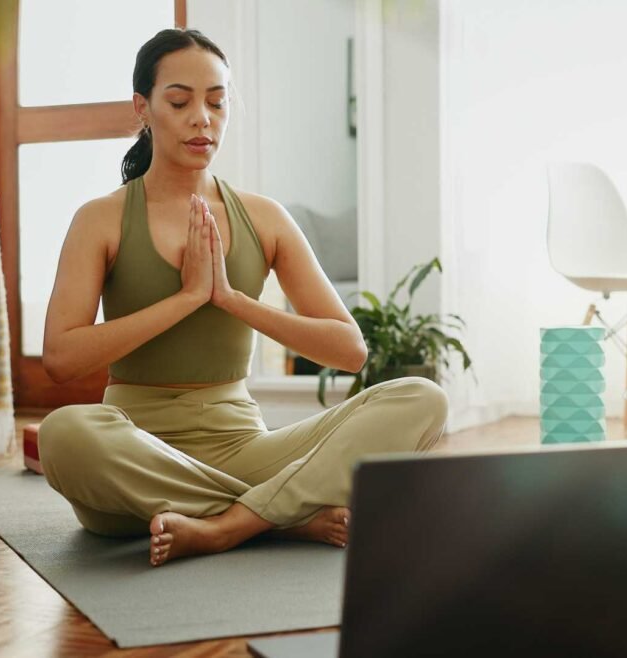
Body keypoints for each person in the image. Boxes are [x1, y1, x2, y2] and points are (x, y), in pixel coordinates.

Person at [39, 28, 448, 567]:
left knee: (423, 398)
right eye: (180, 101)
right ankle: (282, 517)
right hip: (133, 457)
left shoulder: (264, 217)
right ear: (143, 107)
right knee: (64, 434)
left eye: (216, 101)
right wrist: (185, 299)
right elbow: (61, 359)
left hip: (246, 453)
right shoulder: (101, 218)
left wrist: (231, 299)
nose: (201, 118)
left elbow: (350, 351)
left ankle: (226, 524)